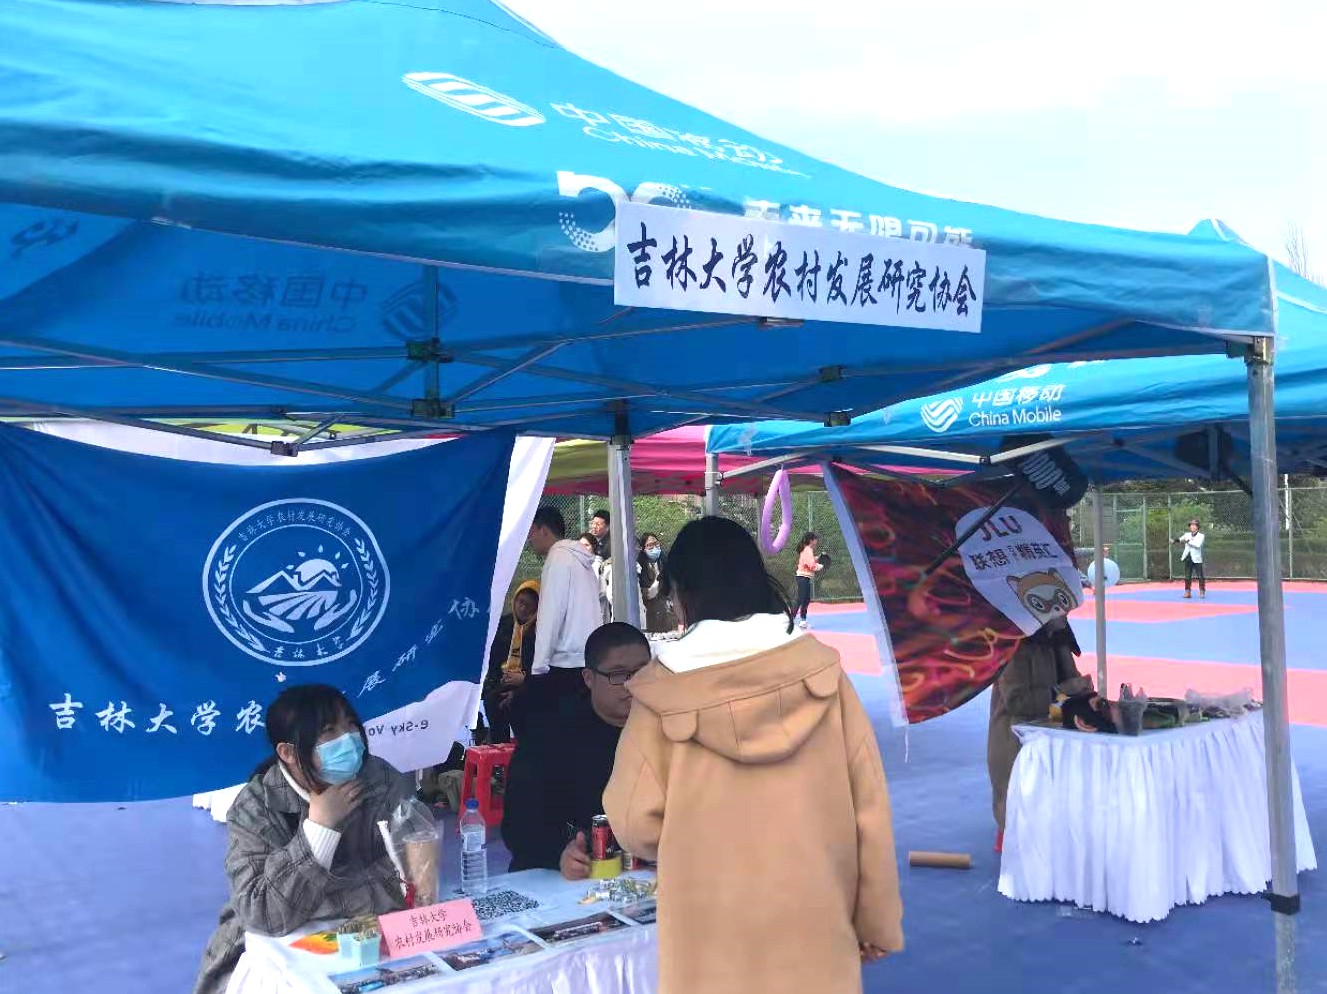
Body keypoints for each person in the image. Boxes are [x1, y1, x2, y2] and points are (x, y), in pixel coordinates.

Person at [604, 517, 902, 994]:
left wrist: (700, 843)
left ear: (682, 593)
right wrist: (876, 921)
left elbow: (634, 823)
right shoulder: (822, 671)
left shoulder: (660, 694)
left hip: (710, 930)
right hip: (816, 918)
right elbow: (869, 808)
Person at [193, 685, 415, 994]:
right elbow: (264, 913)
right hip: (277, 953)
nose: (348, 738)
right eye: (328, 731)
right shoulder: (255, 807)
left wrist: (312, 901)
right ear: (288, 753)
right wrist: (320, 828)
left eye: (350, 724)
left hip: (373, 940)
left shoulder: (382, 780)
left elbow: (414, 876)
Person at [501, 622, 650, 877]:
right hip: (568, 876)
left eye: (643, 672)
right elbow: (518, 825)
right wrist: (558, 853)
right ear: (589, 678)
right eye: (618, 675)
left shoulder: (668, 728)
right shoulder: (549, 734)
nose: (633, 684)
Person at [986, 618, 1090, 852]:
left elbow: (1070, 684)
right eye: (1060, 608)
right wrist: (1063, 691)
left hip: (1047, 737)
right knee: (1018, 810)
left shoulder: (1059, 638)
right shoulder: (1014, 645)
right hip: (1016, 741)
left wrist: (1083, 692)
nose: (1066, 612)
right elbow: (1018, 703)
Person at [526, 506, 602, 696]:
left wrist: (539, 666)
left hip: (566, 663)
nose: (529, 538)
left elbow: (551, 614)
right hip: (589, 656)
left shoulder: (558, 558)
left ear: (544, 530)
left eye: (532, 531)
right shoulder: (579, 560)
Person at [480, 580, 539, 744]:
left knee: (520, 706)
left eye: (529, 605)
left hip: (528, 684)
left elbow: (540, 668)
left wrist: (522, 682)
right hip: (502, 682)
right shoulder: (503, 624)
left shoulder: (540, 631)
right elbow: (493, 660)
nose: (523, 608)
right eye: (521, 602)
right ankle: (498, 746)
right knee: (493, 701)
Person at [637, 532, 678, 633]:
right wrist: (656, 583)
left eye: (656, 543)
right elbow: (646, 594)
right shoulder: (640, 565)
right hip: (649, 610)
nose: (654, 547)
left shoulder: (665, 559)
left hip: (667, 607)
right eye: (650, 545)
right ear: (643, 549)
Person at [794, 531, 824, 630]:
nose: (816, 541)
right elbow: (811, 565)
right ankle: (797, 620)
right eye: (815, 539)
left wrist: (817, 558)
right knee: (803, 599)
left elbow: (808, 560)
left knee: (803, 599)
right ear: (811, 540)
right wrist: (820, 566)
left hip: (803, 578)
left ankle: (799, 620)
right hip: (803, 577)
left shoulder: (807, 549)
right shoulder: (808, 550)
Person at [1175, 518, 1207, 599]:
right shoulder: (1187, 535)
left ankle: (1202, 591)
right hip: (1188, 557)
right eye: (1191, 525)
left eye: (1194, 525)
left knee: (1200, 576)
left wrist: (1188, 541)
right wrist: (1173, 541)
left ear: (1197, 527)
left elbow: (1197, 545)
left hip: (1197, 559)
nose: (1192, 526)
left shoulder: (1201, 536)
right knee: (1187, 576)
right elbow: (1180, 539)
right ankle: (1187, 592)